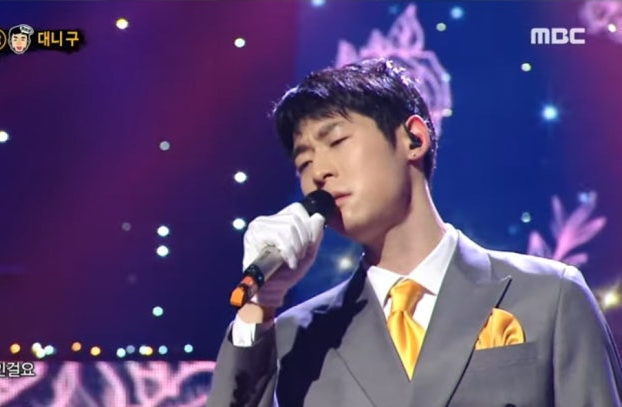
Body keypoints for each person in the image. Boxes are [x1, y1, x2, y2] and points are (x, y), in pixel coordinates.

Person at [206, 58, 622, 406]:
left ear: (414, 138)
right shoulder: (299, 335)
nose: (319, 172)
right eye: (304, 162)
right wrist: (260, 305)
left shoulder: (550, 296)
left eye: (336, 141)